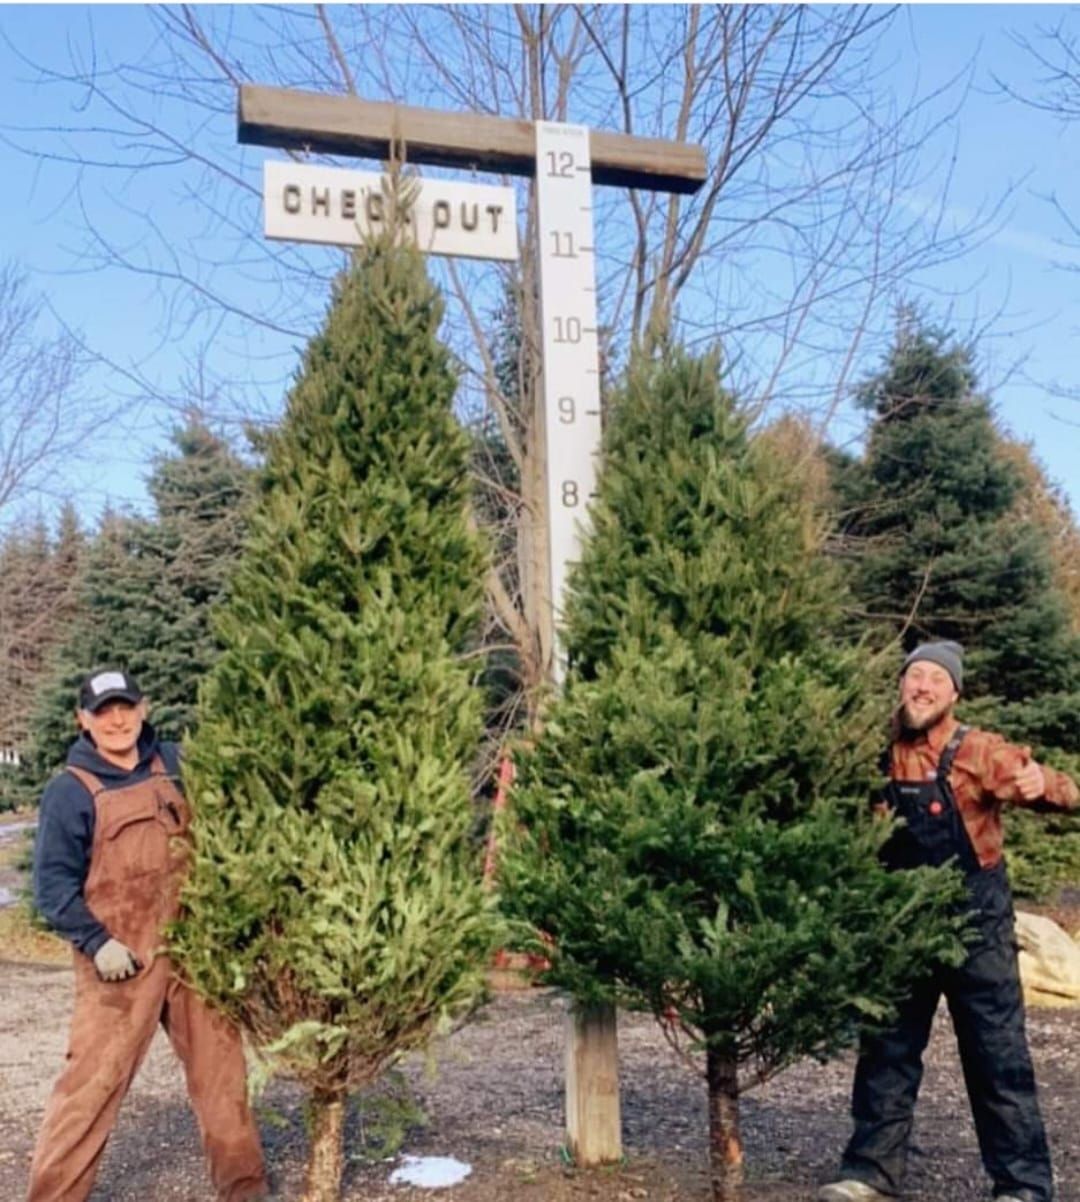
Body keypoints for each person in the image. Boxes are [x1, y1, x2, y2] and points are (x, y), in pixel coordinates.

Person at [819, 641, 1078, 1202]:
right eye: (915, 676)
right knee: (886, 1049)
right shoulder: (873, 751)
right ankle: (869, 1173)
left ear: (954, 693)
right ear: (902, 685)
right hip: (902, 923)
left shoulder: (979, 750)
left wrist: (1044, 785)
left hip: (976, 928)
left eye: (936, 679)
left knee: (997, 1055)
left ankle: (1023, 1185)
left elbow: (1065, 790)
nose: (923, 687)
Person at [27, 667, 268, 1202]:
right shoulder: (70, 792)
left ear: (144, 709)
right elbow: (52, 887)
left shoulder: (177, 764)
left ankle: (245, 1190)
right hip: (120, 961)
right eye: (103, 711)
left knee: (222, 1074)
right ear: (82, 720)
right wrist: (97, 943)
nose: (116, 720)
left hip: (191, 953)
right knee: (91, 1086)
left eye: (125, 707)